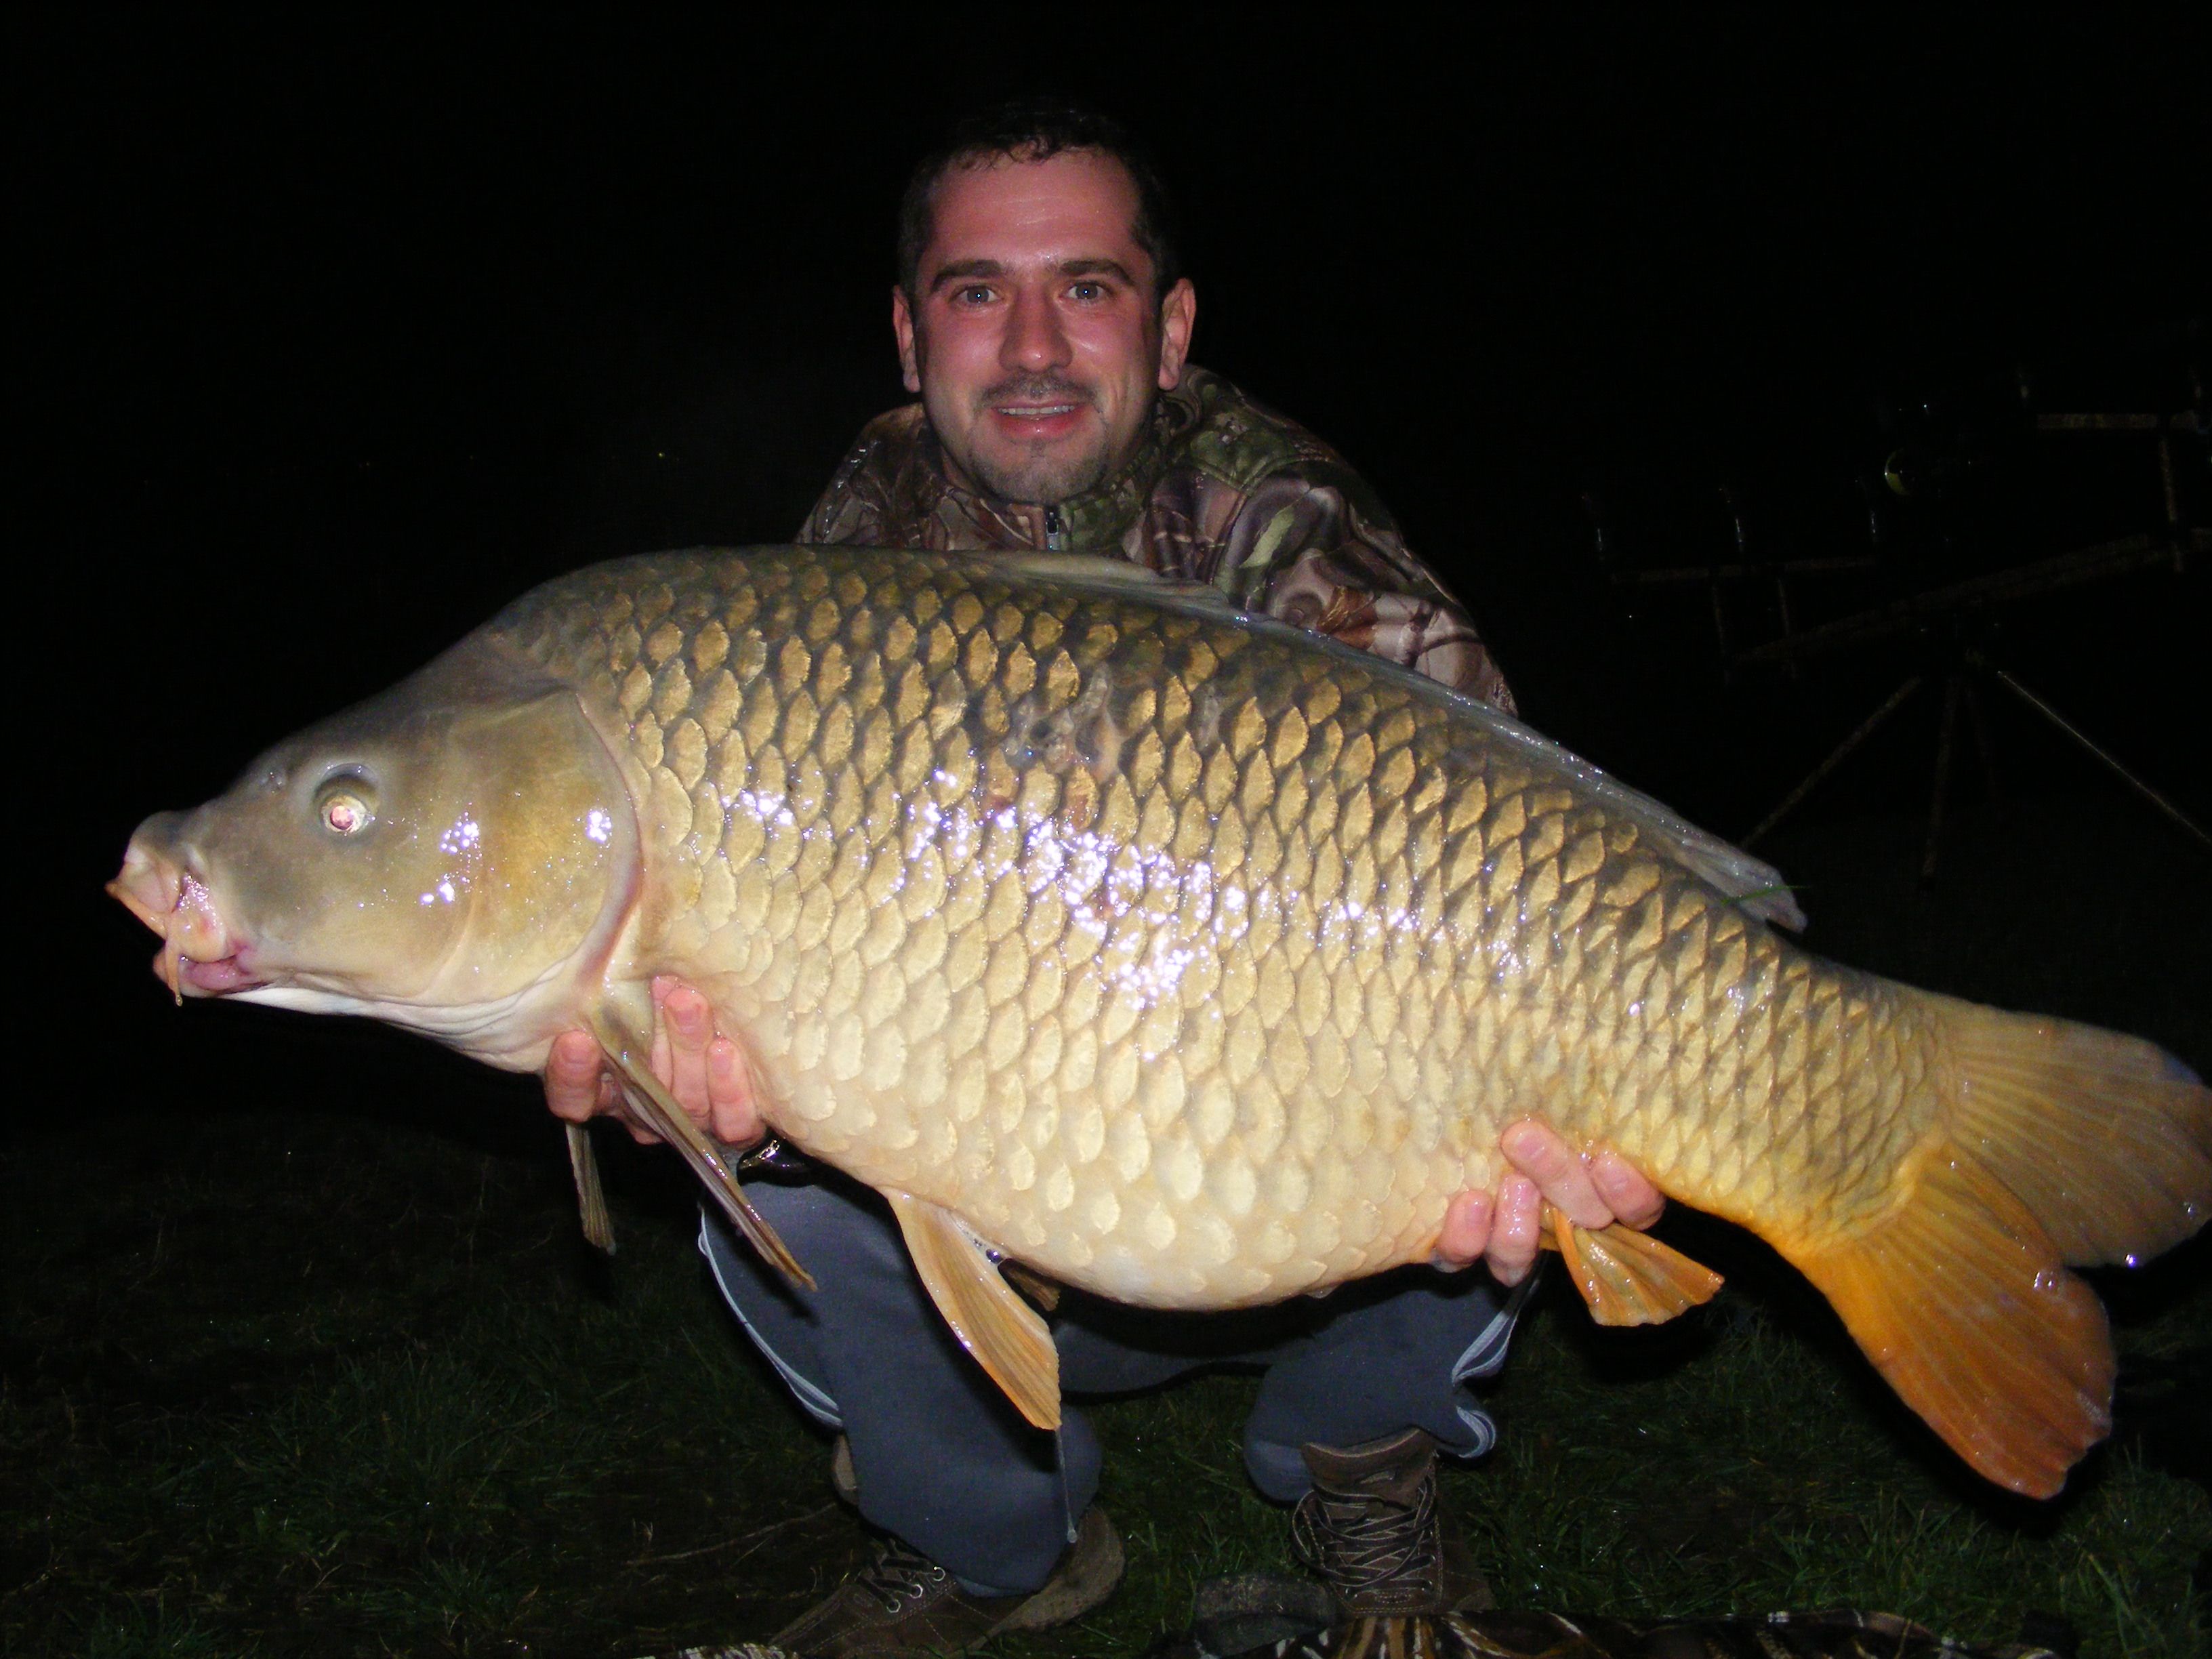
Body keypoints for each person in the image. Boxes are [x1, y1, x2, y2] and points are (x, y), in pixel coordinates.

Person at [545, 102, 1664, 1657]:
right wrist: (684, 1082)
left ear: (1172, 324)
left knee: (1490, 1027)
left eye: (1086, 286)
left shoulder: (1289, 525)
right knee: (760, 1155)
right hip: (1027, 1198)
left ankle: (1364, 1461)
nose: (1031, 347)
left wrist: (1612, 1095)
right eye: (976, 291)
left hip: (1322, 1216)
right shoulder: (837, 577)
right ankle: (991, 1534)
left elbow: (1520, 868)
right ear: (908, 332)